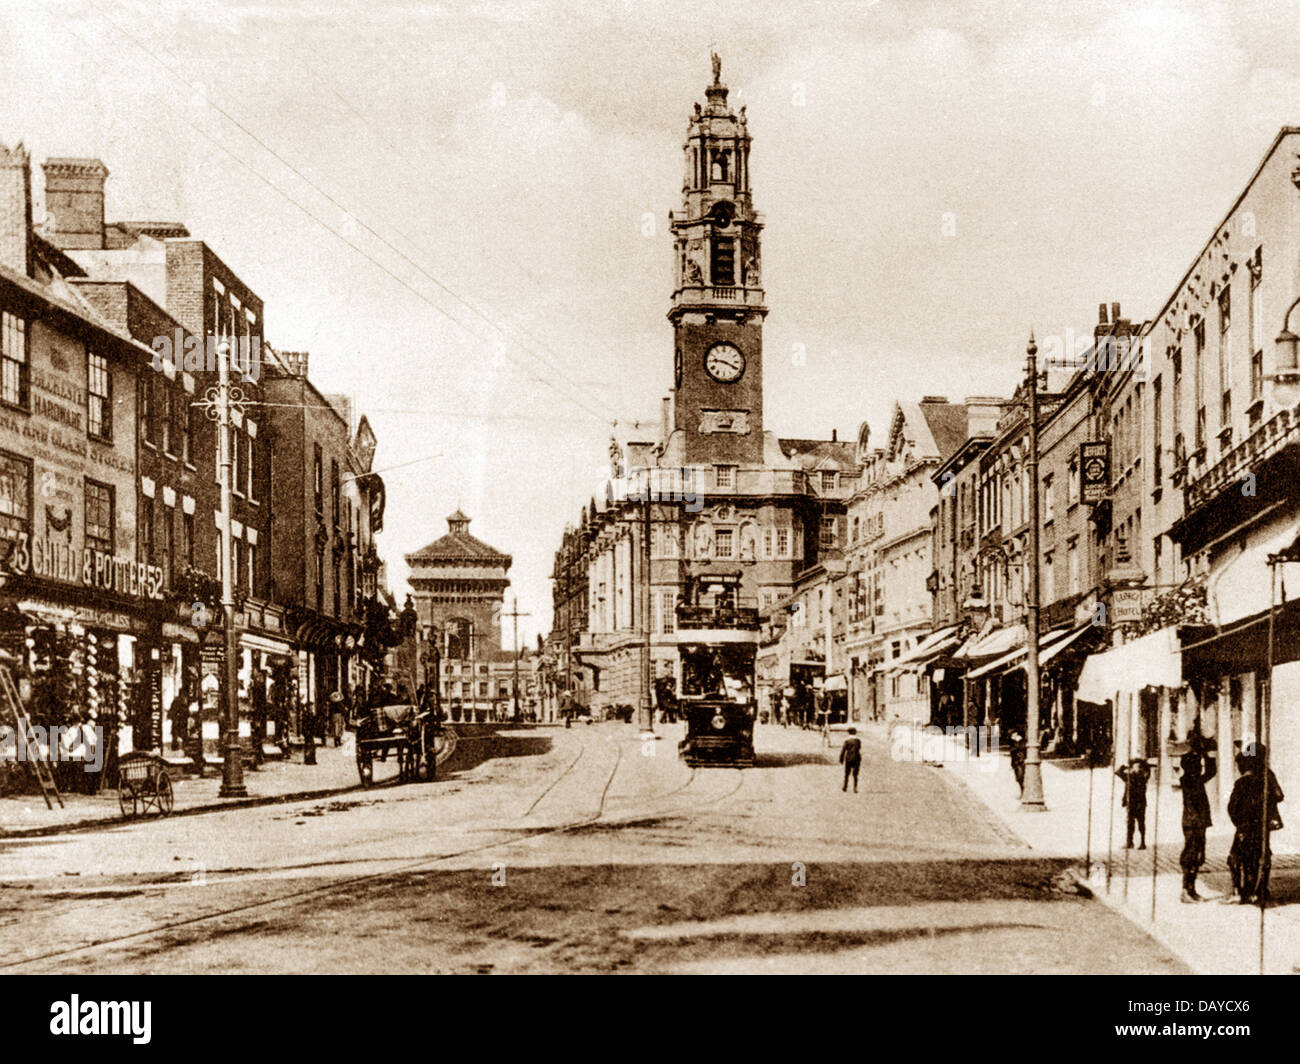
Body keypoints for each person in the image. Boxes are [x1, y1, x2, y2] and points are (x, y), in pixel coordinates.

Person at [1226, 744, 1285, 905]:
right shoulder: (1267, 775)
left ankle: (1239, 891)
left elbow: (1232, 808)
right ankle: (1259, 891)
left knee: (1236, 857)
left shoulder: (1243, 782)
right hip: (1263, 824)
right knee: (1261, 855)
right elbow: (1279, 795)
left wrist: (1238, 822)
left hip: (1245, 826)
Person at [1178, 732, 1217, 903]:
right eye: (1197, 766)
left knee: (1197, 856)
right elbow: (1210, 772)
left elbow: (1211, 771)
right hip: (1193, 823)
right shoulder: (1189, 780)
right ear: (1191, 767)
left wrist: (1205, 754)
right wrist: (1203, 753)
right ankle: (1187, 890)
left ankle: (1190, 889)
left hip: (1196, 822)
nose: (1200, 768)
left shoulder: (1193, 779)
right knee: (1192, 855)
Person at [1116, 757, 1151, 849]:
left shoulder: (1143, 777)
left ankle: (1143, 843)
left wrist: (1144, 764)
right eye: (1135, 767)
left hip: (1140, 804)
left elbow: (1148, 771)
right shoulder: (1129, 777)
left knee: (1141, 824)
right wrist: (1125, 766)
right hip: (1130, 803)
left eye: (1139, 767)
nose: (1137, 769)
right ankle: (1129, 842)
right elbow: (1117, 772)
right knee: (1130, 824)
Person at [840, 727, 862, 792]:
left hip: (848, 758)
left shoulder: (847, 741)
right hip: (856, 758)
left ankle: (845, 787)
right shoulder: (858, 741)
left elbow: (843, 750)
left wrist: (841, 759)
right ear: (855, 732)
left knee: (847, 773)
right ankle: (855, 788)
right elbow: (859, 748)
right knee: (855, 774)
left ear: (848, 733)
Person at [1008, 730, 1026, 794]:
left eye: (1013, 735)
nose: (1012, 736)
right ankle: (1022, 791)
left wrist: (1017, 741)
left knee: (1021, 777)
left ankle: (1023, 791)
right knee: (1018, 778)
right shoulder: (1012, 742)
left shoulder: (1021, 741)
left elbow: (1022, 749)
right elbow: (1012, 753)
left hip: (1021, 762)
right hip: (1015, 763)